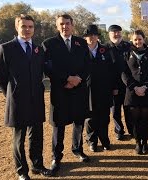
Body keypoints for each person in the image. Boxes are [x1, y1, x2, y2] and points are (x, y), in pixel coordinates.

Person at [0, 14, 52, 180]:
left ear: (33, 29)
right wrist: (11, 96)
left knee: (37, 136)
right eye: (24, 26)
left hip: (36, 100)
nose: (27, 30)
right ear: (17, 27)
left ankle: (37, 165)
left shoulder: (38, 49)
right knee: (18, 139)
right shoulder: (5, 48)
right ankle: (22, 171)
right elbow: (0, 78)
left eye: (30, 27)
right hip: (17, 102)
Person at [42, 14, 90, 174]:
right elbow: (48, 68)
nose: (65, 26)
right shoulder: (48, 44)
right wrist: (67, 79)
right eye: (61, 24)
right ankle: (57, 156)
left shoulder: (81, 43)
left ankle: (77, 149)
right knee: (59, 125)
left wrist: (78, 79)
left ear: (72, 24)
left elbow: (88, 64)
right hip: (60, 91)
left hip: (79, 89)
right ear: (57, 26)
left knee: (78, 122)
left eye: (68, 23)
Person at [122, 30, 148, 155]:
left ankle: (145, 142)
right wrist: (134, 87)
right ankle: (137, 142)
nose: (138, 42)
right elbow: (124, 73)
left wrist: (145, 87)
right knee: (135, 120)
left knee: (145, 119)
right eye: (135, 39)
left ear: (144, 39)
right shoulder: (126, 53)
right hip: (132, 92)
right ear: (132, 40)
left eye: (140, 39)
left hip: (146, 91)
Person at [83, 24, 116, 152]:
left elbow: (112, 70)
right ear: (85, 37)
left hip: (104, 89)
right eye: (89, 35)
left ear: (98, 36)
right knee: (90, 118)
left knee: (104, 117)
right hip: (87, 90)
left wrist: (113, 87)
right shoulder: (81, 51)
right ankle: (92, 141)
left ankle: (104, 140)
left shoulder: (105, 50)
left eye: (94, 35)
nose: (92, 37)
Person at [106, 25, 133, 140]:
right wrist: (112, 86)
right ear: (109, 34)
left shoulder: (128, 46)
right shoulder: (105, 48)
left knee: (129, 109)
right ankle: (119, 130)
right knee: (115, 111)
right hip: (114, 86)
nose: (116, 34)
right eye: (114, 32)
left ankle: (132, 130)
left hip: (128, 85)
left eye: (118, 32)